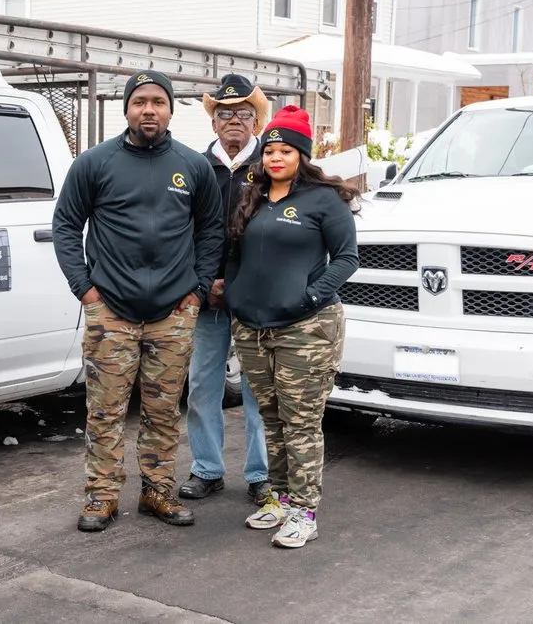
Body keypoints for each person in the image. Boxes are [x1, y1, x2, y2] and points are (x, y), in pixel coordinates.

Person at [53, 71, 224, 532]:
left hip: (173, 313)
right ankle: (102, 496)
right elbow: (66, 225)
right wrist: (85, 289)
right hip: (111, 311)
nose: (149, 109)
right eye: (140, 101)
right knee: (105, 411)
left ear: (170, 109)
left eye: (158, 102)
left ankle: (157, 491)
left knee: (163, 410)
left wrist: (196, 291)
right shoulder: (94, 163)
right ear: (126, 108)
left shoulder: (193, 166)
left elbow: (211, 230)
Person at [224, 105, 360, 549]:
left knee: (301, 422)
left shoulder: (324, 201)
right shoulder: (254, 197)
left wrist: (310, 296)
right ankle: (280, 499)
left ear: (302, 154)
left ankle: (304, 511)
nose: (275, 158)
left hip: (307, 329)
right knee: (272, 419)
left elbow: (347, 258)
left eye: (285, 151)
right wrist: (235, 296)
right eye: (269, 151)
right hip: (253, 328)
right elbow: (236, 255)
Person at [179, 74, 272, 505]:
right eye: (225, 113)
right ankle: (207, 468)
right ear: (213, 122)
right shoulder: (195, 167)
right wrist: (203, 282)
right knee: (202, 386)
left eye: (244, 113)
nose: (234, 120)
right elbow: (184, 231)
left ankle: (261, 474)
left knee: (258, 388)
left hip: (256, 299)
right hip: (207, 297)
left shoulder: (271, 166)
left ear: (257, 121)